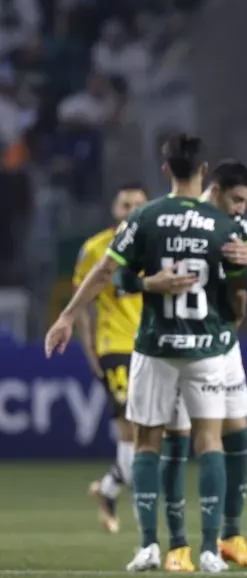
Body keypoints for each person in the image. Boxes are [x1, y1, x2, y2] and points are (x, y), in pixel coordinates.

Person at [45, 133, 247, 574]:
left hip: (155, 346)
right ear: (203, 170)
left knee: (146, 444)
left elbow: (107, 273)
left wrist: (67, 316)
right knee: (209, 441)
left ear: (165, 171)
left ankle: (148, 547)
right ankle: (211, 549)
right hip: (204, 346)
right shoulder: (219, 222)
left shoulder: (147, 217)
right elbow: (240, 287)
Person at [113, 159, 247, 571]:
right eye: (236, 200)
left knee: (236, 431)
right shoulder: (195, 221)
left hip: (221, 345)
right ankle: (180, 544)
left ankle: (229, 536)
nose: (240, 209)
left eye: (245, 203)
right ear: (213, 187)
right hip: (197, 344)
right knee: (184, 437)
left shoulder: (230, 223)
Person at [72, 182, 149, 533]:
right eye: (125, 204)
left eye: (138, 204)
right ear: (114, 210)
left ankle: (107, 489)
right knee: (130, 428)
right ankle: (145, 524)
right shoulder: (94, 249)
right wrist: (90, 350)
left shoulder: (156, 247)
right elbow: (81, 306)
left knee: (147, 433)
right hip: (113, 346)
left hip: (150, 347)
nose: (131, 210)